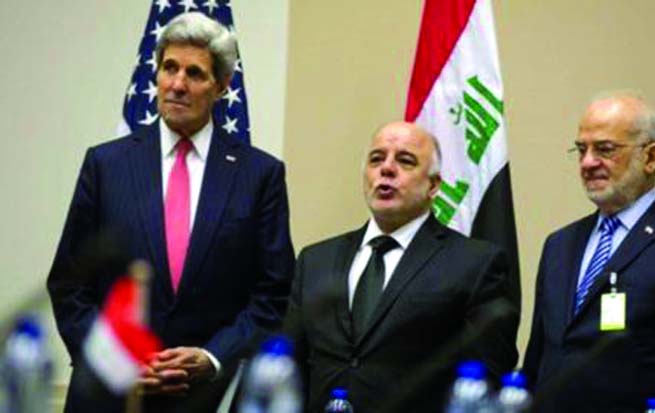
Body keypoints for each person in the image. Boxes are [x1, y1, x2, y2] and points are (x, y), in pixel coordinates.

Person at [47, 12, 295, 412]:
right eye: (169, 68)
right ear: (157, 73)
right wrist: (116, 360)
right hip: (109, 396)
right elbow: (69, 284)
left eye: (195, 73)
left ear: (222, 86)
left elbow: (272, 293)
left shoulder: (258, 175)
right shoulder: (106, 165)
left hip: (206, 397)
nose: (178, 84)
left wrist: (212, 358)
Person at [283, 121, 519, 413]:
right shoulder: (316, 260)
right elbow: (287, 367)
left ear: (433, 185)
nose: (387, 169)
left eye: (405, 161)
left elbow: (485, 381)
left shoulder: (475, 263)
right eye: (376, 159)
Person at [523, 92, 655, 412]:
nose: (587, 162)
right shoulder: (559, 244)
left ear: (651, 157)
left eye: (605, 149)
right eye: (581, 149)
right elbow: (539, 358)